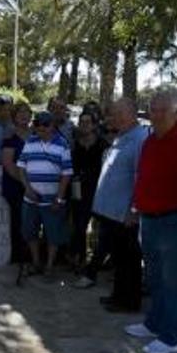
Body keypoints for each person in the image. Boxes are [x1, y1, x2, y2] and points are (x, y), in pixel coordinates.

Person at [124, 91, 177, 353]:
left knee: (174, 282)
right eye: (152, 109)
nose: (155, 114)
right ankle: (154, 323)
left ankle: (171, 336)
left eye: (162, 110)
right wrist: (135, 208)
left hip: (174, 220)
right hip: (149, 218)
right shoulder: (149, 141)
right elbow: (143, 178)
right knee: (154, 276)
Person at [90, 98, 148, 313]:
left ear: (131, 114)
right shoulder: (121, 136)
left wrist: (134, 210)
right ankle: (118, 295)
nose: (113, 117)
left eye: (117, 113)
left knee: (129, 260)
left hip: (124, 213)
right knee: (118, 259)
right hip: (110, 212)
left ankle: (129, 301)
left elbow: (139, 177)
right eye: (112, 113)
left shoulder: (140, 138)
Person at [16, 112, 73, 275]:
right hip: (30, 199)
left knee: (53, 234)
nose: (41, 127)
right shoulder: (30, 142)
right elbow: (21, 167)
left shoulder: (63, 144)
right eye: (38, 123)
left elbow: (66, 173)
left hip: (52, 200)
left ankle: (49, 266)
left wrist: (60, 198)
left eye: (45, 124)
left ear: (53, 126)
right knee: (30, 232)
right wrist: (27, 188)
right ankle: (36, 262)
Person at [68, 112, 110, 286]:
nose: (84, 125)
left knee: (101, 230)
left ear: (94, 125)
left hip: (98, 190)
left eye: (88, 122)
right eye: (82, 122)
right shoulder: (74, 145)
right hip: (78, 191)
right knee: (79, 226)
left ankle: (100, 262)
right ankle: (81, 260)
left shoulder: (103, 144)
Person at [0, 102, 34, 264]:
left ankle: (32, 256)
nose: (24, 115)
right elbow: (8, 163)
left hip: (34, 186)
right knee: (18, 221)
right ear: (14, 116)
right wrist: (25, 183)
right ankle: (19, 258)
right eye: (20, 112)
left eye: (27, 112)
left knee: (32, 222)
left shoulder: (36, 135)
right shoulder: (10, 136)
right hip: (15, 185)